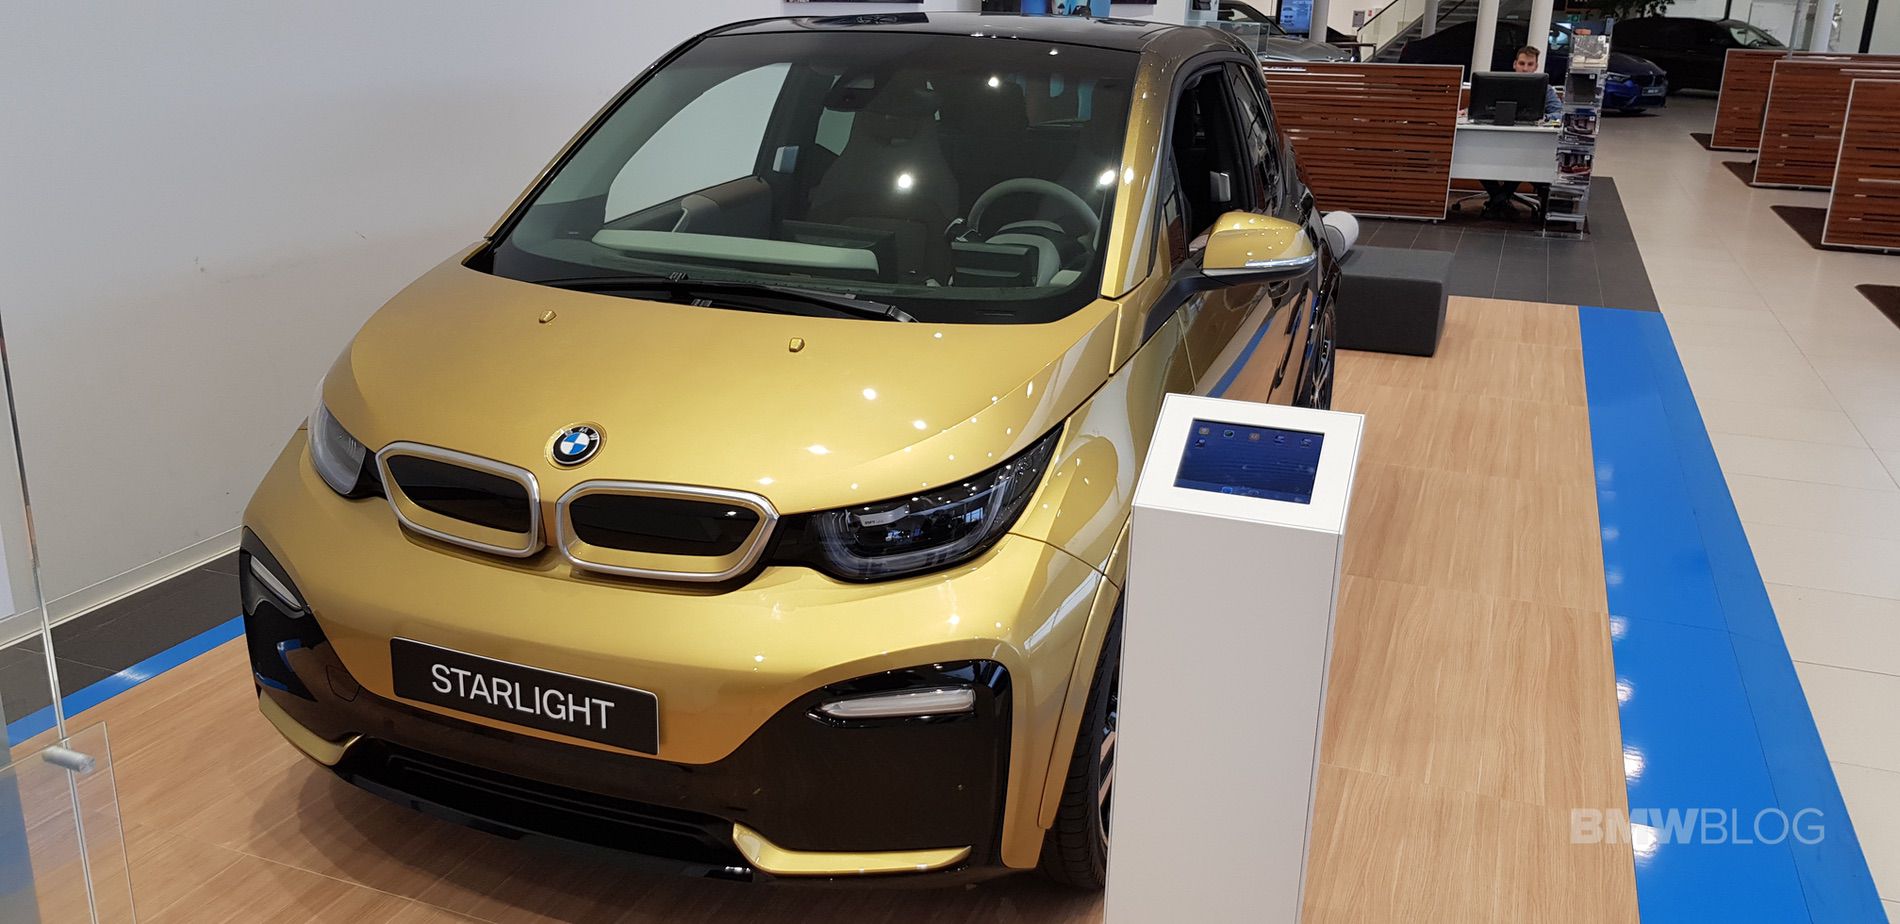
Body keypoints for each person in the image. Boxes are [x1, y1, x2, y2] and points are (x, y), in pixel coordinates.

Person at [1479, 46, 1563, 219]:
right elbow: (1482, 107)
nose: (1525, 68)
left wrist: (1542, 118)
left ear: (1536, 67)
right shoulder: (1498, 84)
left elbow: (1559, 113)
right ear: (1514, 64)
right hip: (1496, 139)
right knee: (1477, 156)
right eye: (1522, 63)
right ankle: (1501, 199)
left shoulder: (1546, 89)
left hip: (1527, 143)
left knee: (1520, 158)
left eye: (1530, 64)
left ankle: (1498, 200)